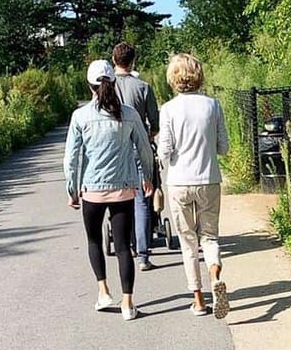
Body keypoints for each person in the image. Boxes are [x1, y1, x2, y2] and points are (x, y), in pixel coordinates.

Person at [64, 59, 154, 321]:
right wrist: (147, 176)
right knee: (124, 246)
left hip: (92, 189)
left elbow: (72, 158)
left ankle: (103, 292)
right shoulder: (129, 114)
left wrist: (72, 189)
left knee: (94, 241)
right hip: (124, 188)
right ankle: (128, 303)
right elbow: (144, 149)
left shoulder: (80, 116)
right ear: (113, 82)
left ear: (90, 85)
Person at [157, 53, 230, 318]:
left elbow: (165, 149)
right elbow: (224, 146)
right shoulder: (213, 106)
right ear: (198, 76)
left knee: (188, 243)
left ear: (173, 78)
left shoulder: (168, 110)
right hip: (209, 178)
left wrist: (159, 162)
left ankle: (198, 300)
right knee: (210, 237)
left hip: (179, 182)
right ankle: (215, 277)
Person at [112, 41, 160, 271]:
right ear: (133, 62)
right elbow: (155, 121)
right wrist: (149, 134)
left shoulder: (106, 88)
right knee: (142, 200)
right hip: (138, 148)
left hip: (115, 151)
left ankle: (125, 243)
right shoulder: (143, 87)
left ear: (114, 61)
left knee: (122, 200)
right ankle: (142, 255)